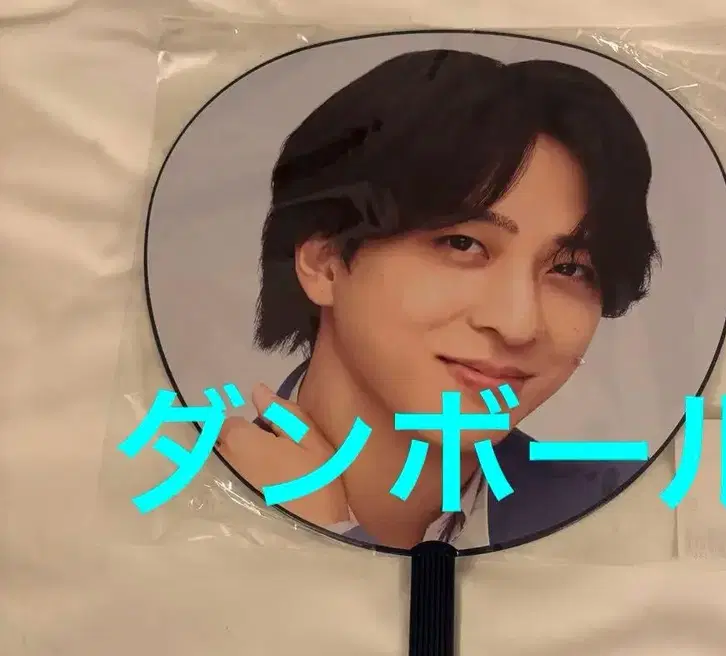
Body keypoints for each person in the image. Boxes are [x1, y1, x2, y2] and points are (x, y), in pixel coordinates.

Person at [218, 47, 660, 550]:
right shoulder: (178, 502)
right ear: (325, 262)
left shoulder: (636, 512)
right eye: (462, 244)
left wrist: (329, 541)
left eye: (569, 268)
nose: (518, 324)